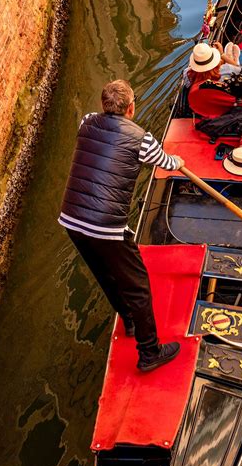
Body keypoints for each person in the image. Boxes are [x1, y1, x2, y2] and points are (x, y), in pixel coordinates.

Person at [58, 80, 184, 373]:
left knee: (105, 275)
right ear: (131, 108)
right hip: (105, 225)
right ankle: (150, 352)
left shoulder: (87, 121)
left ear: (104, 106)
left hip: (71, 218)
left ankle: (128, 320)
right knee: (138, 286)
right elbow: (164, 162)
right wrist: (177, 161)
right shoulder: (142, 139)